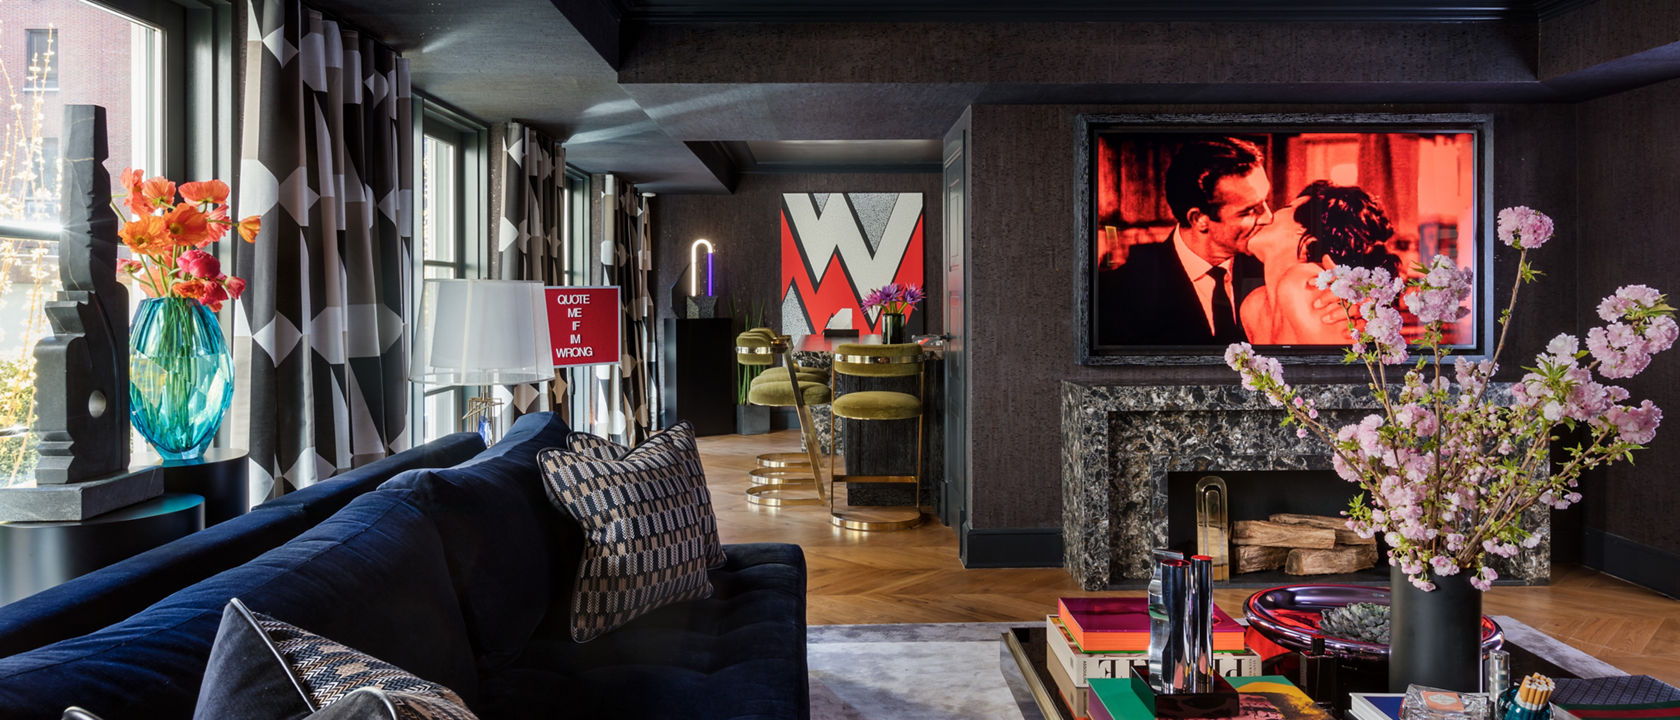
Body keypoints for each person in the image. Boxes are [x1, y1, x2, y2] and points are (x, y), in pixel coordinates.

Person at [1096, 137, 1274, 346]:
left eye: (1265, 202)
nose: (1268, 217)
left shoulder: (1271, 275)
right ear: (1199, 219)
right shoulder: (1117, 295)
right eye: (1250, 210)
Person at [1239, 180, 1402, 345]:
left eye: (1287, 208)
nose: (1265, 216)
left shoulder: (1302, 283)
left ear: (1304, 231)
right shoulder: (1254, 305)